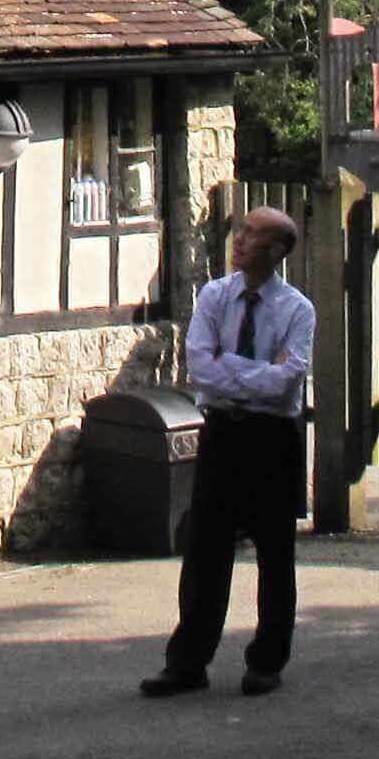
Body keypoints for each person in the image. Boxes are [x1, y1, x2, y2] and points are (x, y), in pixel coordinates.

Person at [142, 205, 314, 699]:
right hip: (223, 433)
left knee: (274, 553)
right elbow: (199, 367)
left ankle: (266, 661)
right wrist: (252, 375)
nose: (239, 240)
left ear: (277, 249)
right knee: (205, 549)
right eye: (240, 230)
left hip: (272, 438)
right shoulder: (215, 297)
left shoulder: (297, 309)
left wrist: (231, 369)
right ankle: (187, 662)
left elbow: (288, 383)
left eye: (253, 234)